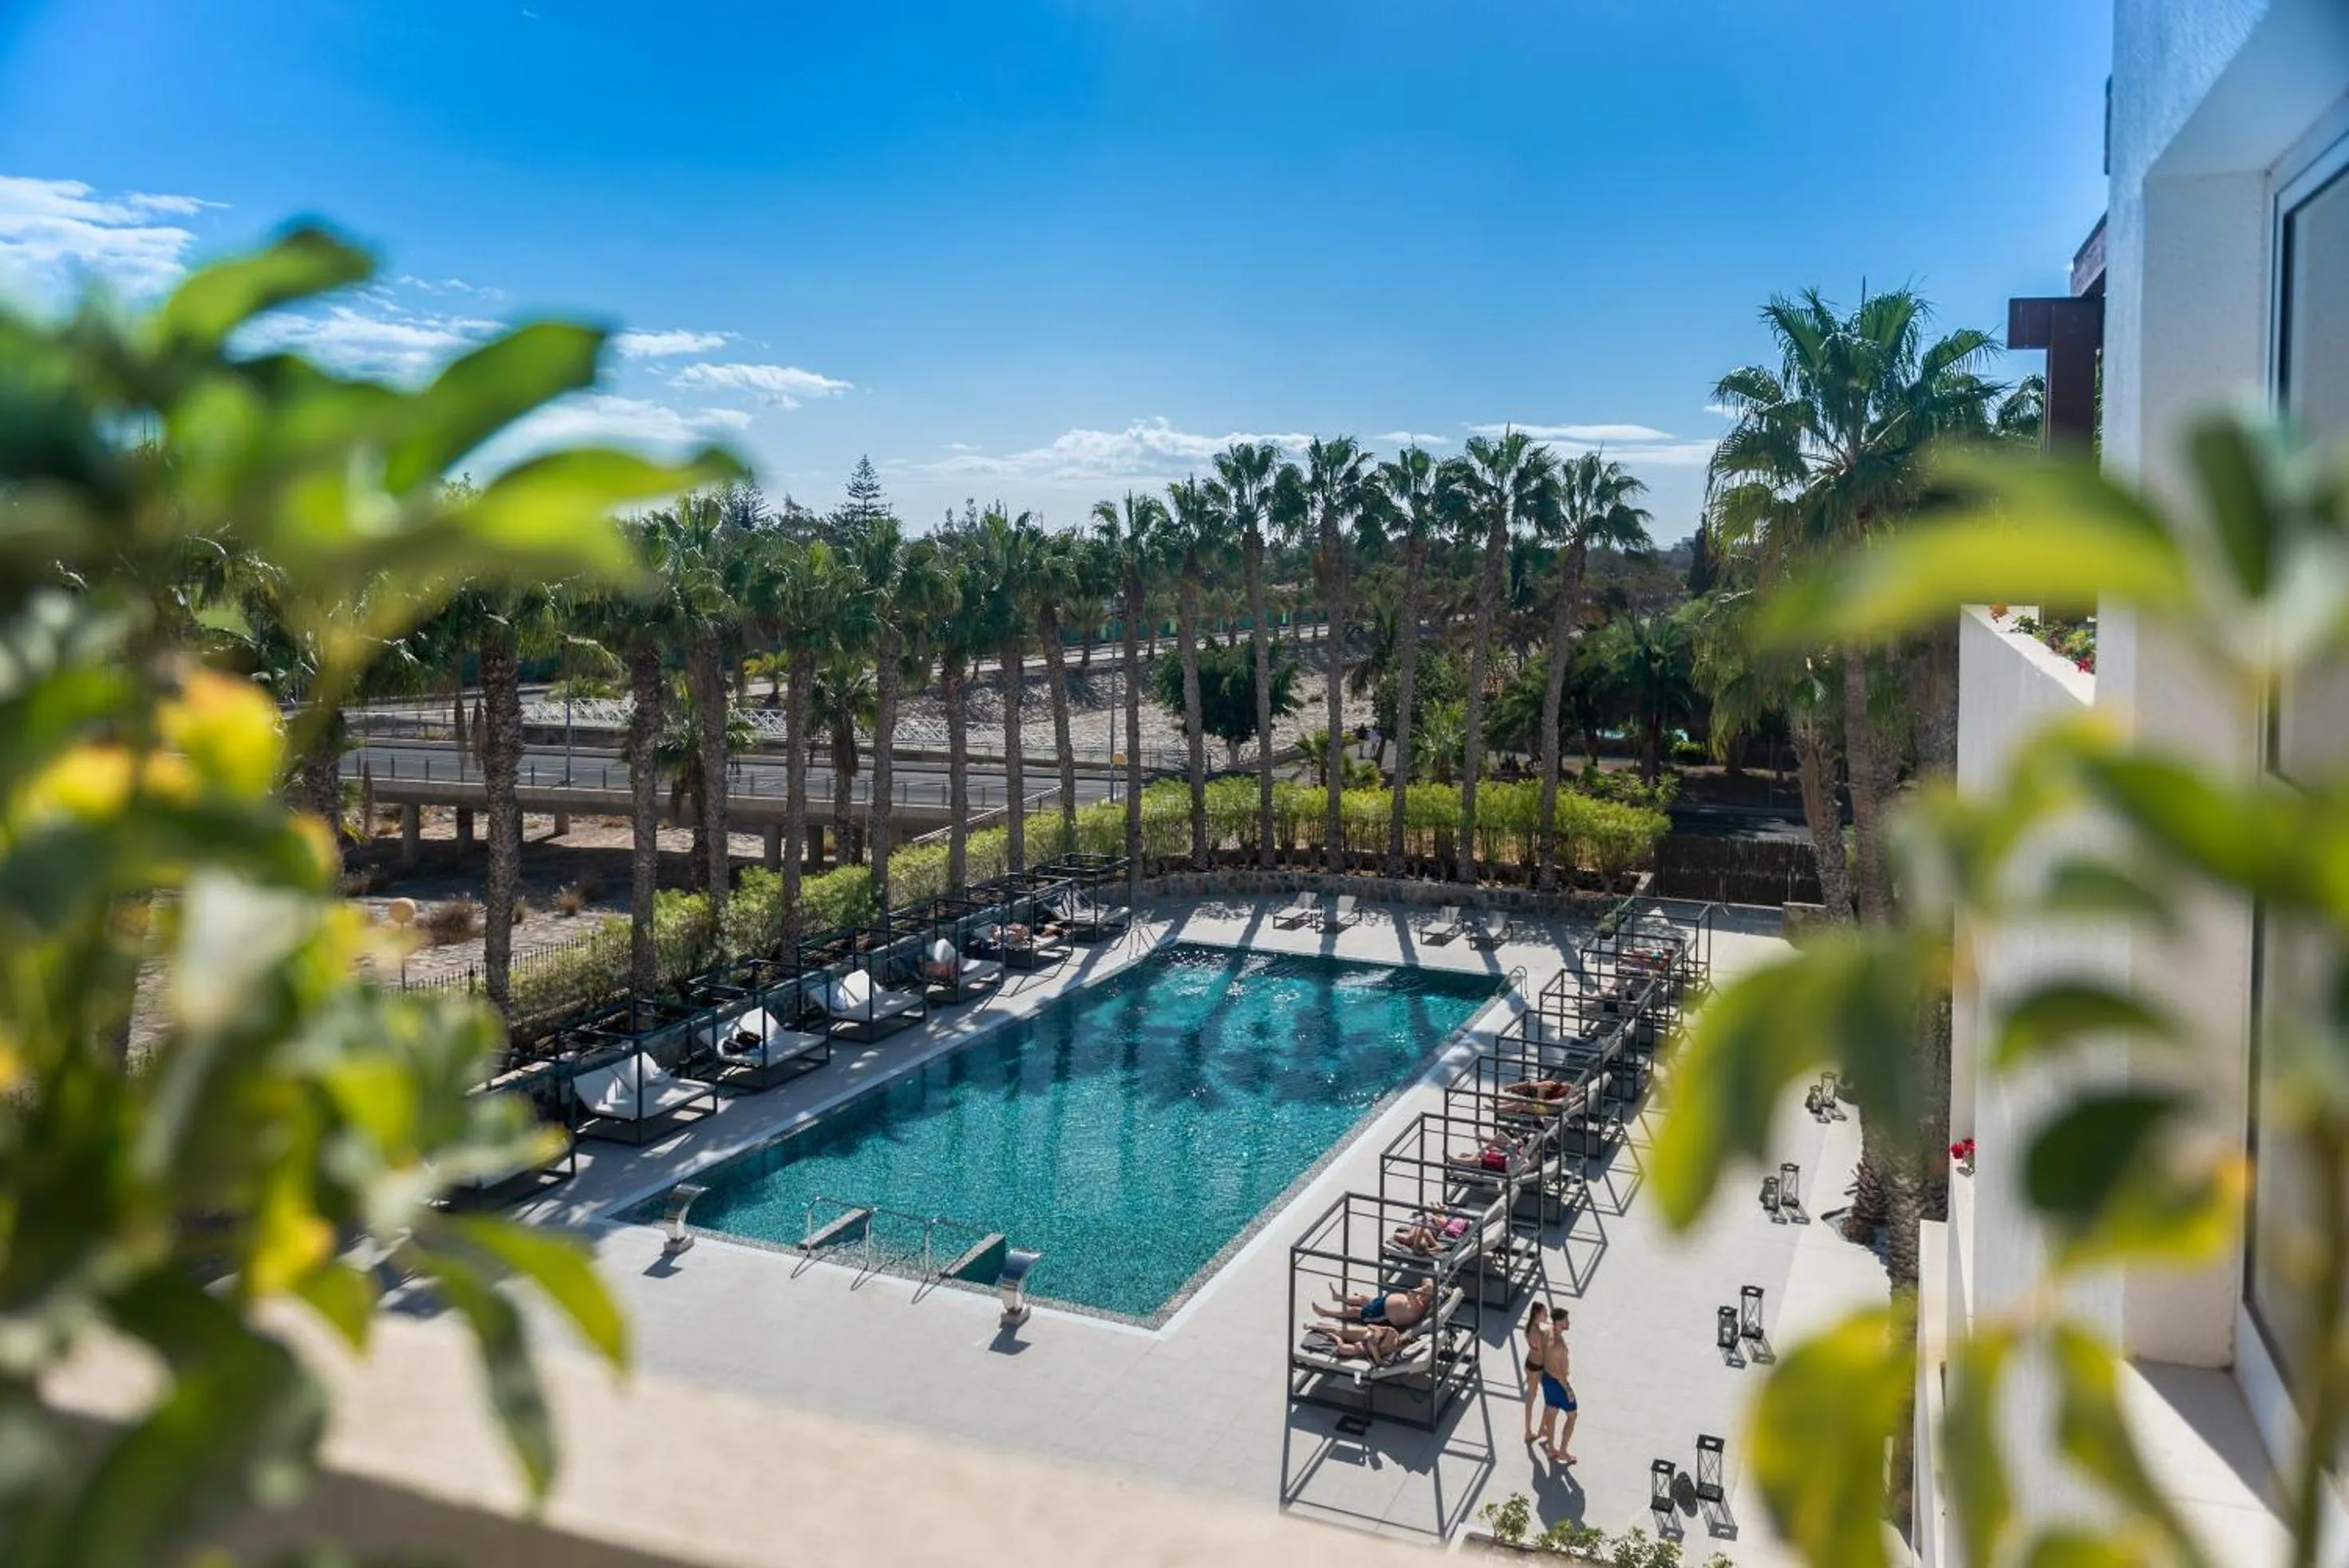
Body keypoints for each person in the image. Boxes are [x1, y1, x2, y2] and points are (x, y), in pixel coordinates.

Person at [1537, 1307, 1578, 1465]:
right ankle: (1563, 1451)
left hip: (1547, 1379)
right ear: (1559, 1322)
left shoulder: (1547, 1333)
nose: (1568, 1323)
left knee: (1552, 1413)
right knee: (1572, 1415)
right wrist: (1567, 1389)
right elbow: (1559, 1371)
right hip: (1559, 1383)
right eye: (1566, 1320)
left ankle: (1551, 1448)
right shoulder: (1559, 1345)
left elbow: (1542, 1356)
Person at [1314, 1278, 1434, 1331]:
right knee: (1363, 1298)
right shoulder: (1422, 1301)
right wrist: (1428, 1287)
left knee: (1356, 1311)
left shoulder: (1420, 1307)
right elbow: (1427, 1278)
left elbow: (1410, 1293)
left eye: (1425, 1294)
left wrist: (1424, 1288)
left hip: (1382, 1314)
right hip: (1384, 1302)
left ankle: (1325, 1312)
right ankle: (1338, 1297)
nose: (1422, 1294)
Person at [1520, 1302, 1551, 1445]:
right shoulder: (1538, 1334)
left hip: (1530, 1364)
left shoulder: (1530, 1327)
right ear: (1538, 1313)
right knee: (1550, 1396)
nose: (1547, 1315)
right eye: (1545, 1313)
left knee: (1531, 1398)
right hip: (1538, 1367)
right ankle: (1542, 1429)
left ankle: (1529, 1430)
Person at [1303, 1321, 1402, 1365]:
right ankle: (1312, 1327)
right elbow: (1371, 1326)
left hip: (1364, 1348)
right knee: (1336, 1330)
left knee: (1343, 1348)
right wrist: (1376, 1335)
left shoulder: (1392, 1351)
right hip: (1366, 1335)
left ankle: (1336, 1337)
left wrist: (1374, 1347)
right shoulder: (1393, 1333)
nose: (1401, 1342)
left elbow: (1379, 1361)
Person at [1391, 1211, 1472, 1254]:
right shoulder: (1423, 1235)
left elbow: (1396, 1235)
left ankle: (1438, 1210)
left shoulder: (1412, 1238)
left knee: (1439, 1219)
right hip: (1430, 1224)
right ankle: (1438, 1210)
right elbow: (1437, 1247)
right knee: (1440, 1220)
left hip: (1427, 1223)